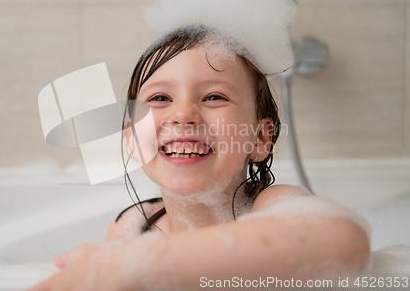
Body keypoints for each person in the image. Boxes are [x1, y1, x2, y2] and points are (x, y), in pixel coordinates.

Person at [28, 26, 371, 291]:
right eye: (160, 97)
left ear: (260, 138)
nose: (183, 114)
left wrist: (141, 263)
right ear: (132, 139)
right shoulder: (132, 227)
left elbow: (342, 239)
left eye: (213, 96)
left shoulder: (272, 205)